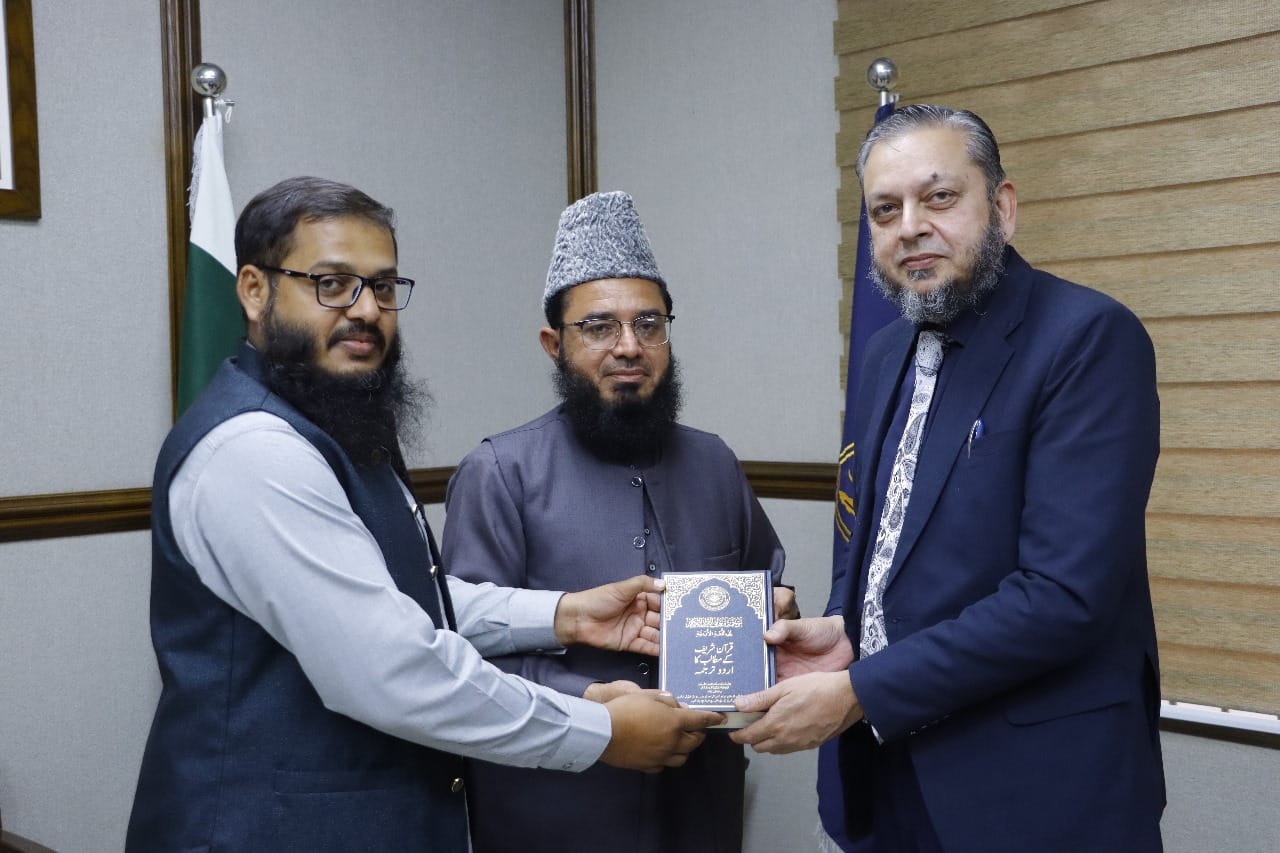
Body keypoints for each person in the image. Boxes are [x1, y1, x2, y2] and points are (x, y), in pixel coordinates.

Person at [126, 177, 724, 852]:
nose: (366, 309)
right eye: (332, 283)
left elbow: (393, 598)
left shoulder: (329, 420)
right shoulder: (255, 451)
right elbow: (394, 668)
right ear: (255, 290)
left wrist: (563, 614)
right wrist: (600, 732)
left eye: (383, 287)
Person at [731, 105, 1165, 852]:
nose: (910, 227)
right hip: (889, 775)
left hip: (1034, 793)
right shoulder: (884, 353)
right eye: (885, 210)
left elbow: (1063, 597)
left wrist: (860, 691)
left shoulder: (1088, 339)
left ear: (1002, 207)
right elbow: (887, 551)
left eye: (938, 197)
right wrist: (843, 630)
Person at [444, 190, 794, 853]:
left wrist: (776, 616)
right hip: (556, 811)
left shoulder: (715, 462)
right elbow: (462, 657)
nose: (629, 346)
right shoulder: (500, 472)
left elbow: (769, 590)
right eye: (599, 327)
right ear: (554, 345)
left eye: (648, 324)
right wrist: (593, 700)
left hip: (700, 809)